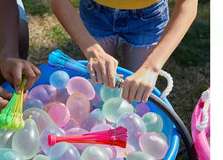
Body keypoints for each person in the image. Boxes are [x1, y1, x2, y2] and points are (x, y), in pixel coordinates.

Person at [50, 0, 197, 103]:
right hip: (96, 10)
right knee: (95, 90)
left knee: (134, 96)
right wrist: (92, 50)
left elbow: (187, 3)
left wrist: (151, 68)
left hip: (148, 15)